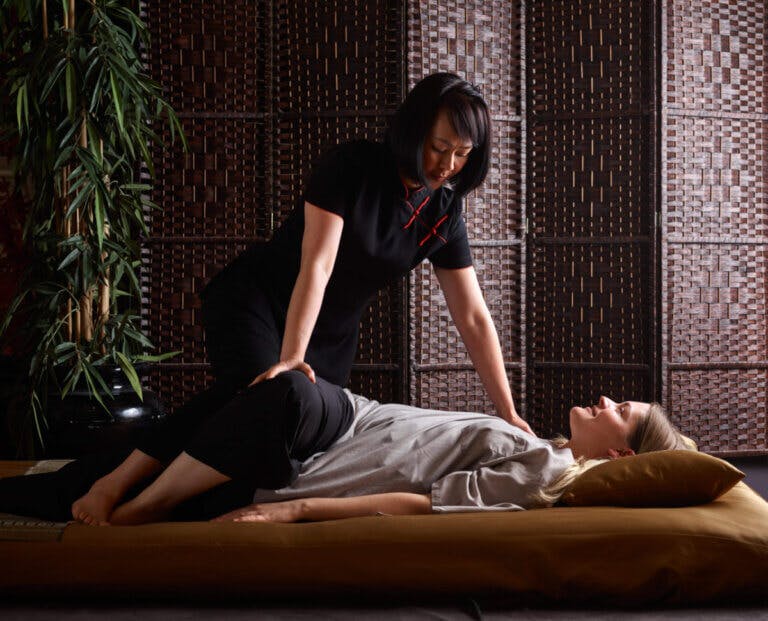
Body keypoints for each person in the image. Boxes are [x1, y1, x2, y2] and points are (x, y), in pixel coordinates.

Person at [33, 72, 528, 525]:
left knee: (264, 421)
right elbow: (318, 265)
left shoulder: (444, 209)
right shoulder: (352, 166)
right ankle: (118, 487)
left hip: (329, 337)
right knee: (250, 395)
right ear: (415, 130)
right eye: (439, 146)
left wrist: (506, 411)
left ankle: (146, 494)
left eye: (462, 153)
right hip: (261, 301)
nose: (447, 165)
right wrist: (291, 356)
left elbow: (472, 317)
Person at [0, 370, 690, 525]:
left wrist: (294, 515)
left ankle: (128, 506)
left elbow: (430, 502)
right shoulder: (541, 444)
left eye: (618, 410)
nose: (604, 400)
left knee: (284, 396)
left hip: (319, 454)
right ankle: (117, 491)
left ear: (621, 458)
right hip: (344, 421)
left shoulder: (555, 468)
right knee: (258, 388)